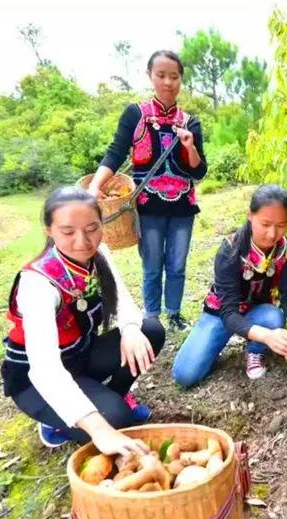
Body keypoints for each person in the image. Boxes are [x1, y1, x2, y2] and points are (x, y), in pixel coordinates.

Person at [1, 187, 165, 453]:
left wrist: (132, 329)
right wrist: (99, 428)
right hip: (34, 380)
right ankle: (59, 419)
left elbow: (123, 301)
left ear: (102, 224)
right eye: (68, 232)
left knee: (150, 330)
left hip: (79, 356)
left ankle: (110, 397)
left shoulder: (98, 255)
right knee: (117, 420)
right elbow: (45, 369)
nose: (83, 241)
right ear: (49, 231)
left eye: (92, 228)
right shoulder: (38, 284)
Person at [89, 50, 207, 331]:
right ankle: (152, 317)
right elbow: (115, 153)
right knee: (152, 265)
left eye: (174, 76)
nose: (168, 82)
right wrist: (95, 186)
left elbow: (199, 171)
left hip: (182, 205)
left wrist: (189, 146)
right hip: (147, 204)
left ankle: (175, 313)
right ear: (150, 76)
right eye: (161, 75)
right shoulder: (135, 114)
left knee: (177, 264)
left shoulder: (190, 122)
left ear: (181, 80)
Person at [172, 185, 287, 386]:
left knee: (273, 315)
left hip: (258, 314)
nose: (272, 234)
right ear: (250, 216)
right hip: (222, 315)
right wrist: (268, 336)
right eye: (265, 224)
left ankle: (255, 352)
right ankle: (211, 342)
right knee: (185, 376)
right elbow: (228, 313)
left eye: (281, 225)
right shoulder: (230, 250)